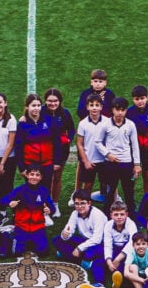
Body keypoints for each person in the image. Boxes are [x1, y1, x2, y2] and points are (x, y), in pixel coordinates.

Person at [55, 189, 108, 272]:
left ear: (89, 203)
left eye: (82, 203)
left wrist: (79, 248)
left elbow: (97, 239)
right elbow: (68, 230)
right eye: (76, 204)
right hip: (84, 240)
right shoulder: (75, 213)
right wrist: (65, 235)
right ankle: (83, 262)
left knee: (89, 253)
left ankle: (69, 255)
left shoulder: (98, 215)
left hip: (98, 244)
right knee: (57, 240)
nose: (79, 207)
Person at [44, 88, 75, 218]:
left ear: (60, 101)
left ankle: (55, 204)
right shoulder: (40, 112)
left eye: (55, 101)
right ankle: (45, 206)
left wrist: (68, 139)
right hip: (45, 151)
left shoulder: (65, 113)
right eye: (49, 101)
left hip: (61, 151)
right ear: (45, 101)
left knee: (57, 177)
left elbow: (72, 129)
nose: (52, 103)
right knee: (45, 179)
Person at [127, 85, 148, 195]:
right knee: (133, 177)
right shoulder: (129, 113)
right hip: (134, 150)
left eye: (142, 98)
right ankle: (130, 199)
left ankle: (147, 198)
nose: (140, 101)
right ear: (133, 99)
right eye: (137, 99)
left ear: (147, 97)